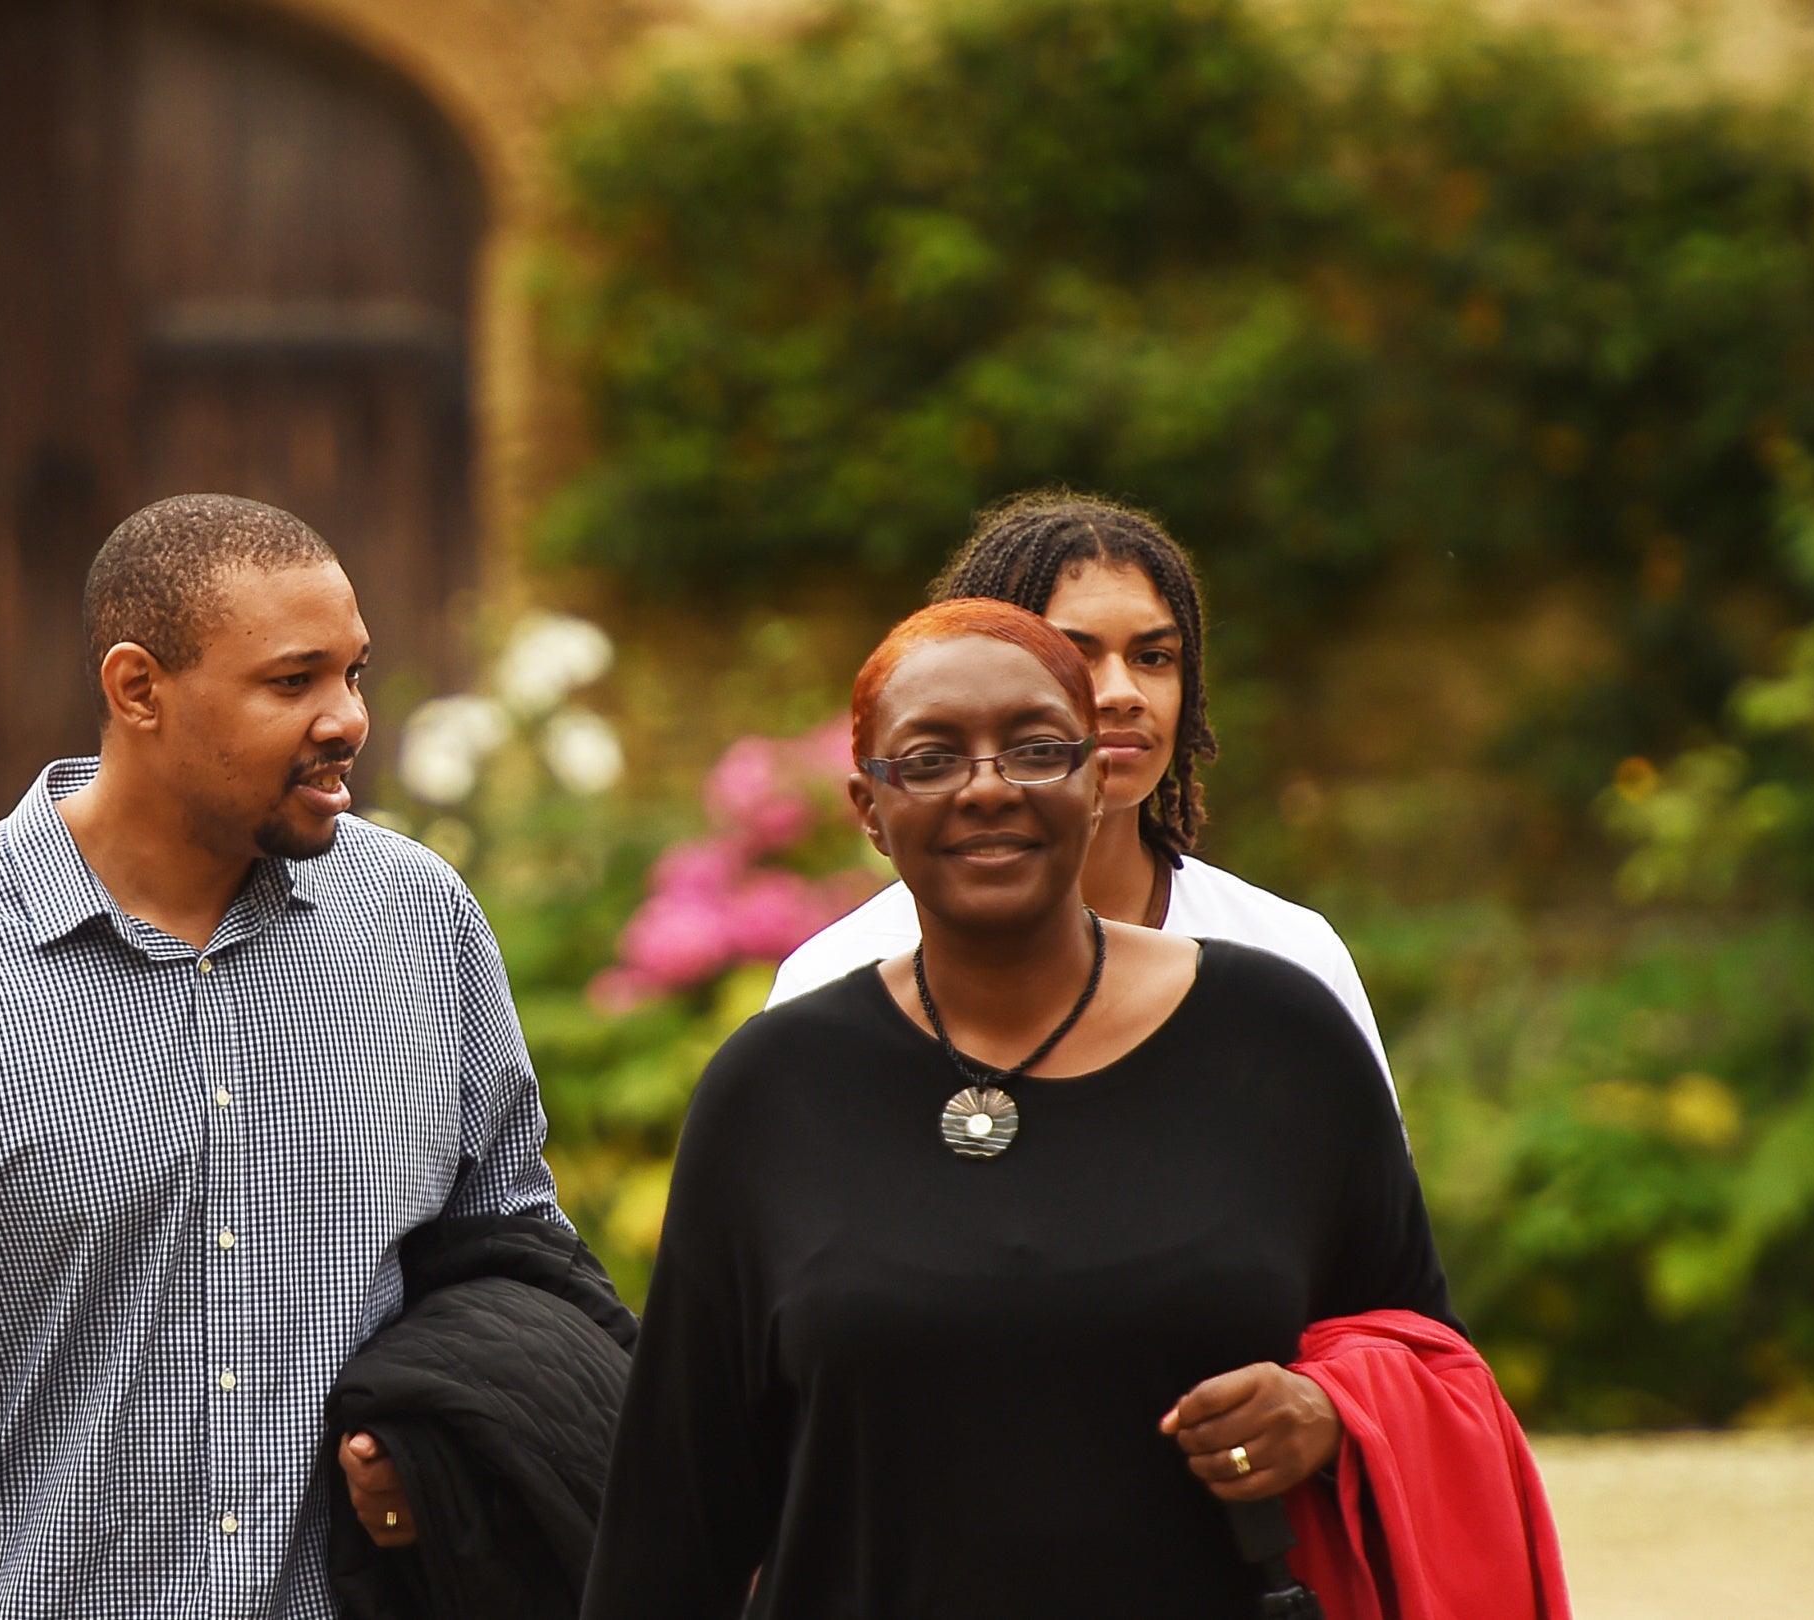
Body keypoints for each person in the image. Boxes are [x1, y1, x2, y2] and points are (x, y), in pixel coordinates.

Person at [0, 494, 575, 1619]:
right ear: (137, 689)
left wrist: (448, 1444)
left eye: (354, 673)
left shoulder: (419, 925)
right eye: (293, 682)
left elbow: (515, 1261)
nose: (347, 718)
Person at [582, 599, 1455, 1620]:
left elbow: (1429, 1357)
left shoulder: (1278, 1041)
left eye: (1038, 751)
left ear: (1096, 781)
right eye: (932, 758)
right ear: (868, 806)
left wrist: (1330, 1411)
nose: (988, 788)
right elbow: (676, 1515)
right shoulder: (771, 1092)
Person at [768, 493, 1390, 1087]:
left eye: (1153, 657)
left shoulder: (1289, 960)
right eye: (1073, 655)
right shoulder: (839, 980)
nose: (1122, 692)